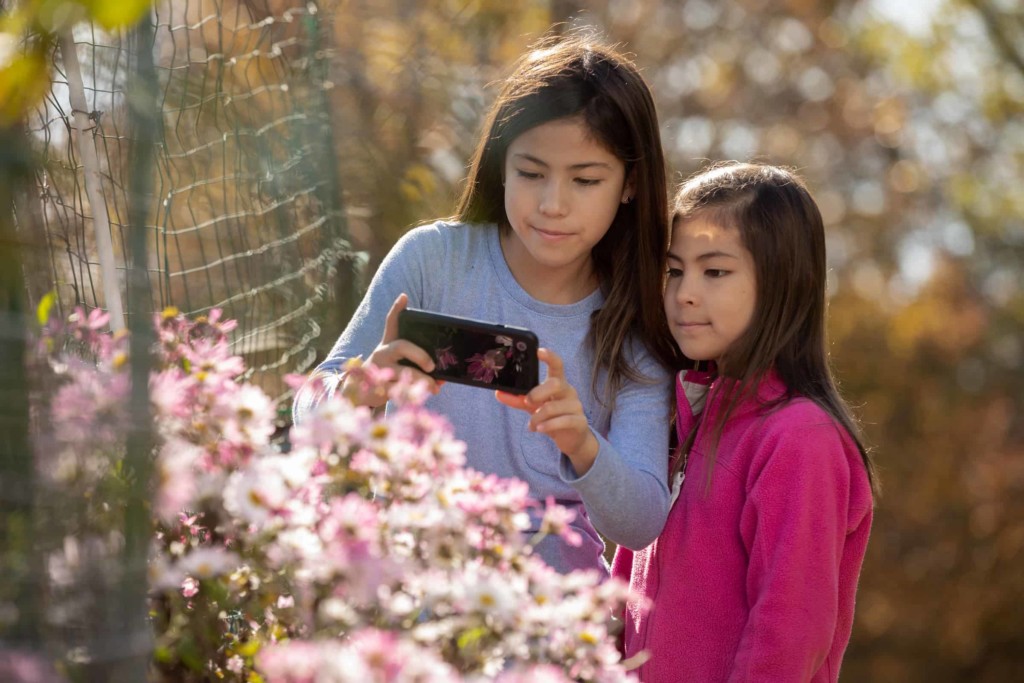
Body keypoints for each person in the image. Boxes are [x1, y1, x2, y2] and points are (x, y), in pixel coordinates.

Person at [293, 32, 678, 575]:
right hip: (406, 593)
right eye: (530, 173)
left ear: (630, 184)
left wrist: (581, 443)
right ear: (501, 165)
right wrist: (362, 389)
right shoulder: (433, 259)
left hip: (550, 619)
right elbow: (308, 414)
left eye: (585, 180)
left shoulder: (636, 322)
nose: (552, 204)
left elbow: (639, 523)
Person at [612, 162, 877, 682]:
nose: (685, 292)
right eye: (674, 270)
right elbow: (624, 591)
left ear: (782, 282)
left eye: (714, 271)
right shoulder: (678, 416)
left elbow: (789, 630)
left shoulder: (801, 438)